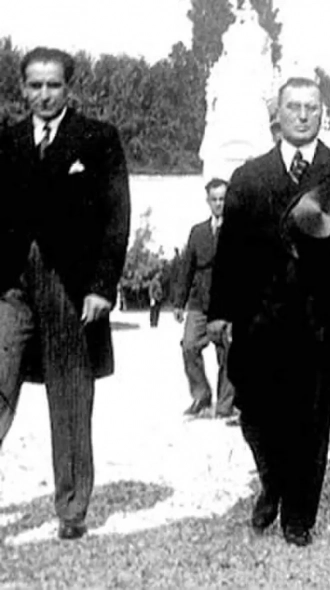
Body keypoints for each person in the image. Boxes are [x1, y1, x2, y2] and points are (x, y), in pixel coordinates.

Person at [207, 77, 330, 547]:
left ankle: (298, 514)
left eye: (311, 107)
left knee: (312, 417)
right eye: (293, 107)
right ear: (278, 114)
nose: (303, 115)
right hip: (260, 317)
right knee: (255, 412)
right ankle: (272, 482)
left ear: (323, 114)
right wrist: (220, 312)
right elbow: (230, 250)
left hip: (321, 316)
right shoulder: (249, 175)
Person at [0, 46, 130, 540]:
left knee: (71, 396)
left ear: (68, 88)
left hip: (70, 287)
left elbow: (117, 217)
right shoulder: (7, 141)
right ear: (22, 88)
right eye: (35, 85)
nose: (44, 95)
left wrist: (102, 287)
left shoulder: (96, 139)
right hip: (10, 283)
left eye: (53, 85)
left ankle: (72, 509)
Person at [174, 178, 235, 419]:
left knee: (229, 352)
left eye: (223, 199)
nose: (219, 203)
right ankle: (201, 395)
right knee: (189, 347)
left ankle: (226, 405)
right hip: (199, 303)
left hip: (228, 304)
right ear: (208, 201)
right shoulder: (198, 232)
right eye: (214, 199)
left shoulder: (238, 229)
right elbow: (186, 268)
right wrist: (179, 303)